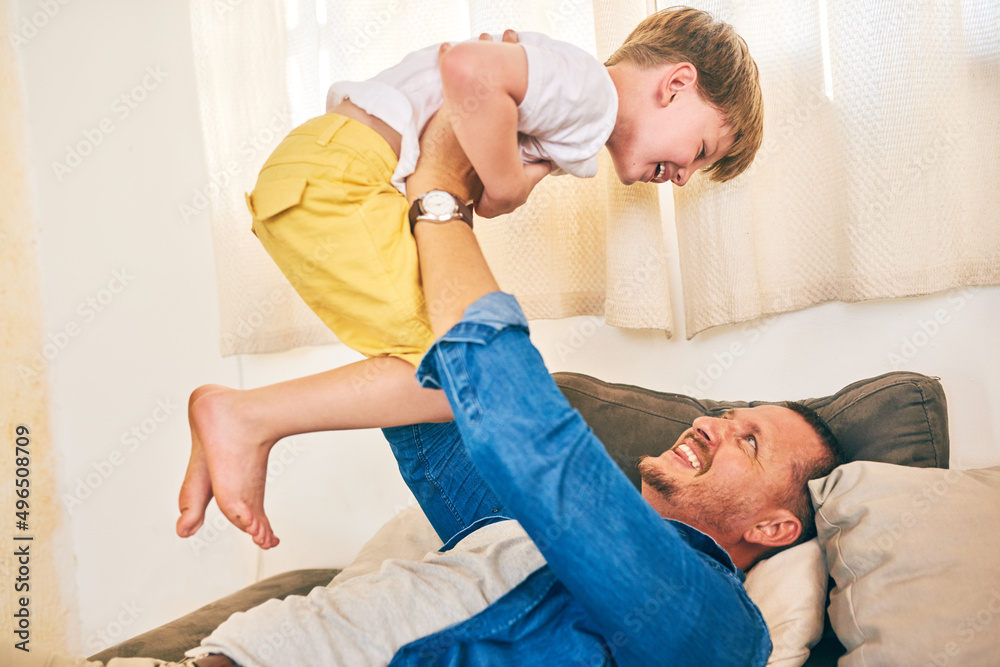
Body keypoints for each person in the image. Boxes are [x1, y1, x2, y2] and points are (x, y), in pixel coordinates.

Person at [6, 99, 835, 667]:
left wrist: (442, 199)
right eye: (732, 414)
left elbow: (535, 440)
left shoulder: (718, 629)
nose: (717, 424)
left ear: (771, 523)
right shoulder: (513, 526)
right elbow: (437, 377)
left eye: (749, 439)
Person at [177, 7, 765, 550]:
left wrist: (510, 176)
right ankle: (244, 416)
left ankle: (235, 422)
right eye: (702, 150)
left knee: (439, 366)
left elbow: (471, 184)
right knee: (456, 375)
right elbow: (468, 66)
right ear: (677, 84)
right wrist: (508, 180)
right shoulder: (591, 94)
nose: (684, 177)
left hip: (330, 177)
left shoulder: (577, 118)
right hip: (342, 181)